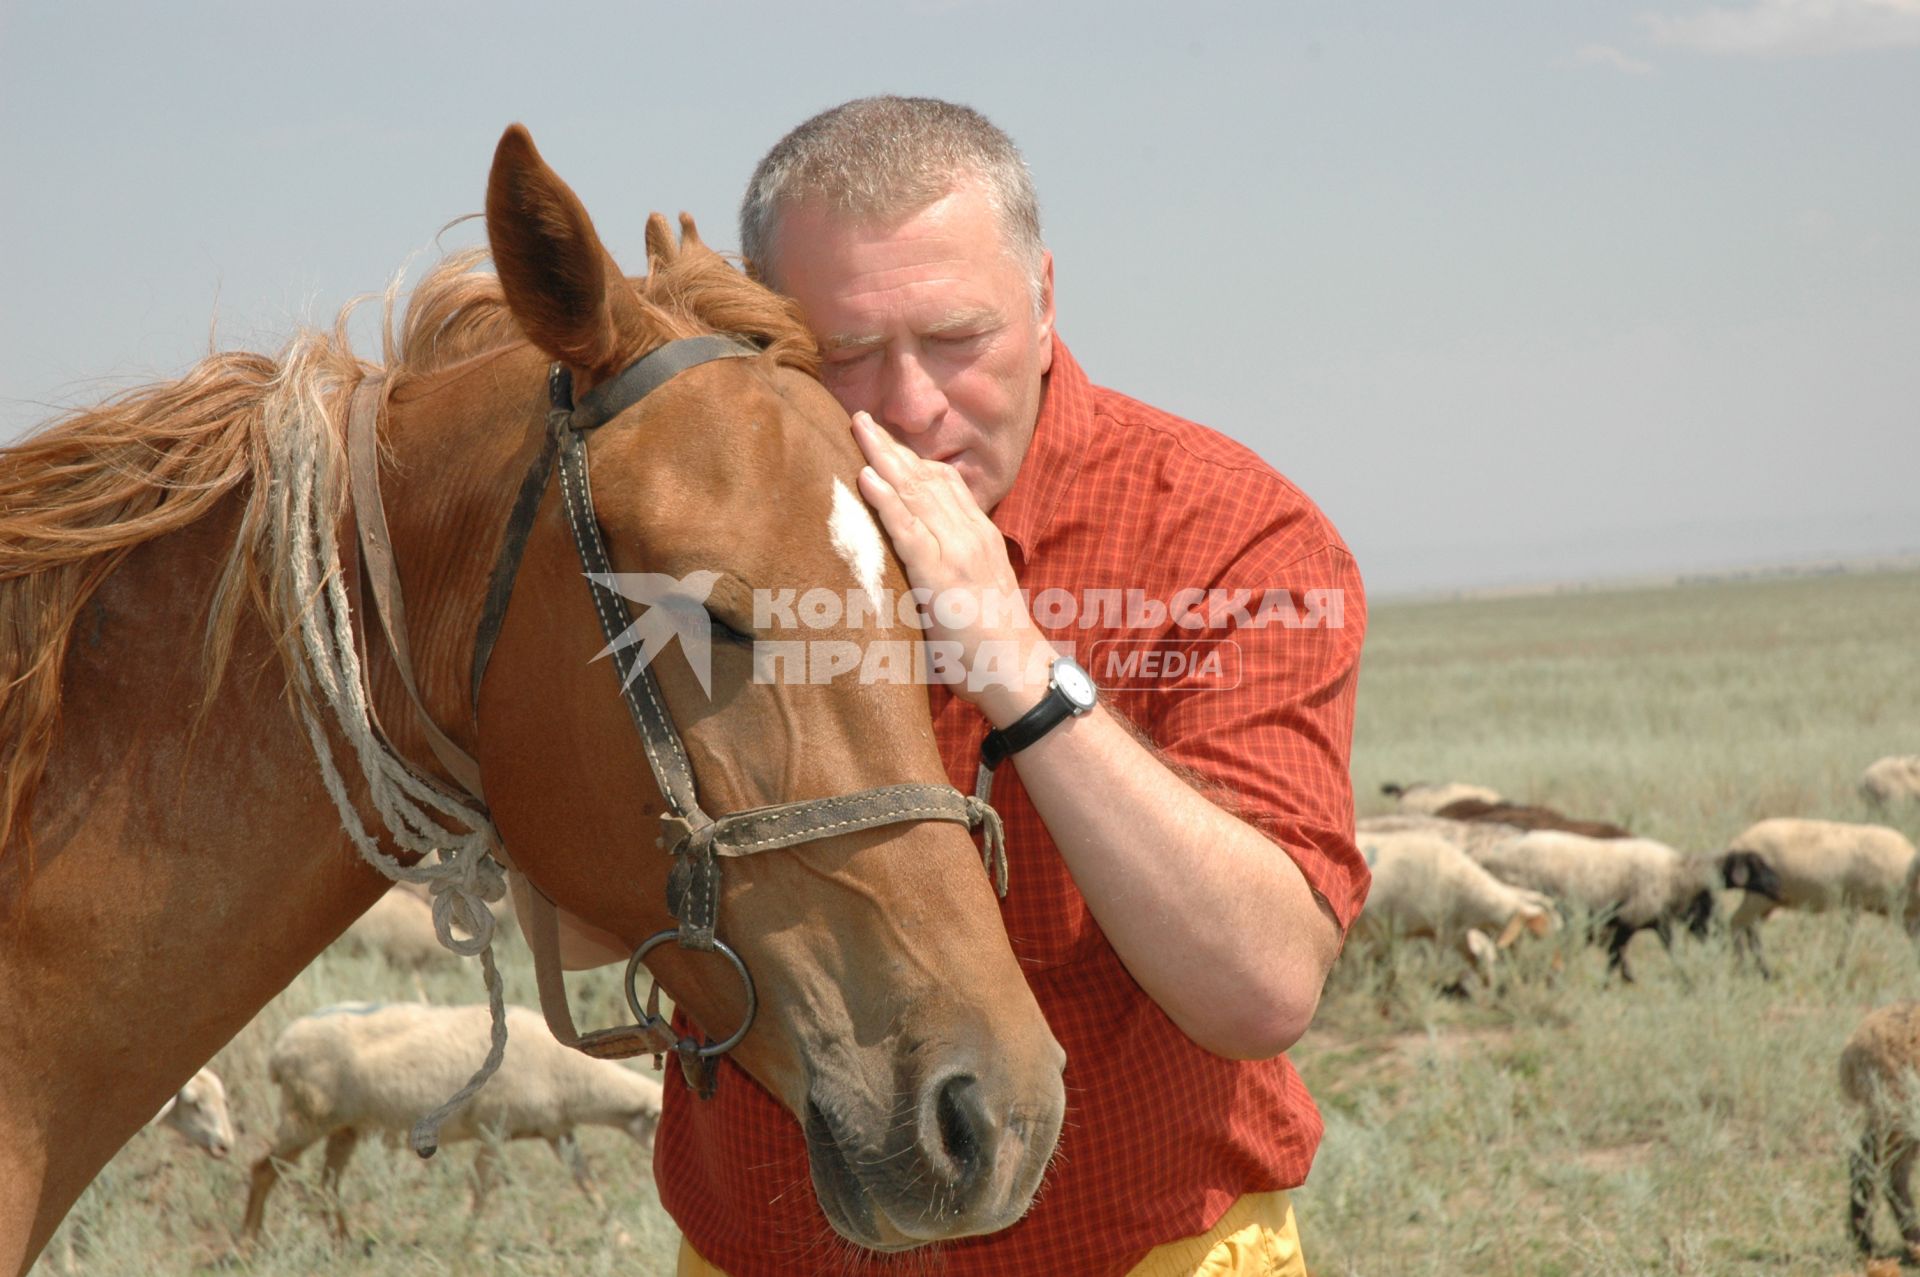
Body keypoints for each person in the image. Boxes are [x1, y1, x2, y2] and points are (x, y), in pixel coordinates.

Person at [658, 96, 1369, 1277]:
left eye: (956, 339)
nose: (911, 407)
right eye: (842, 356)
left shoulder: (1233, 535)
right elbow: (592, 929)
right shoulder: (687, 550)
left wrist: (1021, 673)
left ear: (1044, 304)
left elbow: (1260, 989)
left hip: (1141, 1250)